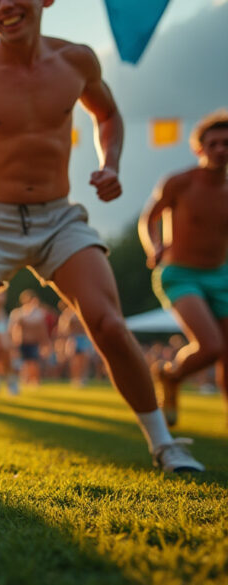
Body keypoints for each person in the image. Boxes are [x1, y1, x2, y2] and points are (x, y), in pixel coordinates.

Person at [0, 0, 203, 473]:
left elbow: (107, 116)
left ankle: (164, 443)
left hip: (58, 218)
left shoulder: (77, 61)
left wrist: (111, 164)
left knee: (108, 322)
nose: (3, 6)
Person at [139, 110, 228, 427]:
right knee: (211, 345)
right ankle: (172, 376)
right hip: (180, 274)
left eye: (226, 144)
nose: (221, 150)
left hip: (222, 275)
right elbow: (148, 218)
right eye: (214, 144)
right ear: (199, 149)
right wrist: (155, 246)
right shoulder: (180, 182)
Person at [8, 289, 51, 388]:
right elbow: (13, 329)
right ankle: (26, 380)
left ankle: (35, 381)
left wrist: (45, 342)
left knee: (34, 362)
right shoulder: (18, 313)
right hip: (22, 342)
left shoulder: (39, 313)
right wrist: (13, 342)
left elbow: (42, 329)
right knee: (25, 363)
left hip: (34, 342)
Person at [57, 300, 93, 387]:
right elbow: (63, 329)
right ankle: (75, 378)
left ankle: (83, 378)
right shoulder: (67, 314)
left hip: (83, 338)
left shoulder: (81, 311)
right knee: (75, 361)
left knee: (84, 360)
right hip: (74, 338)